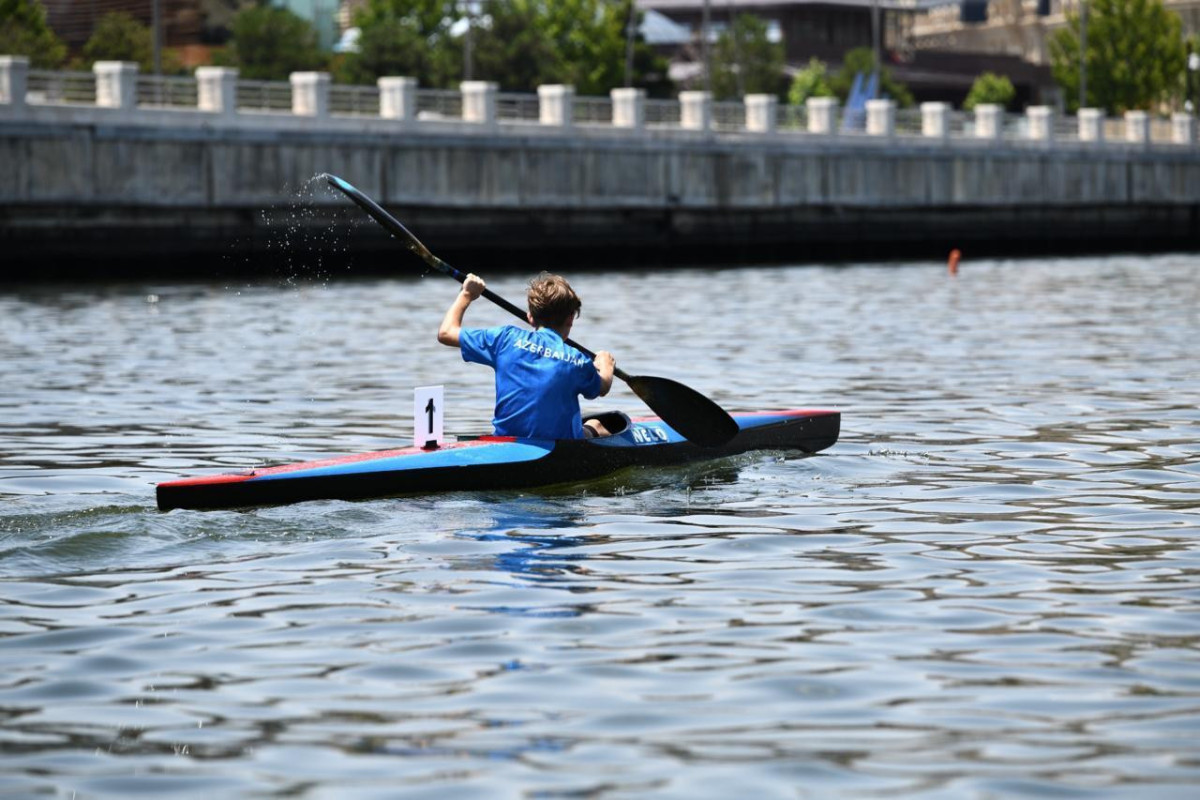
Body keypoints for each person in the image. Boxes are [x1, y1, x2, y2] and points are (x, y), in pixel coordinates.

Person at [437, 271, 615, 439]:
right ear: (570, 318)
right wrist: (605, 366)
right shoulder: (577, 360)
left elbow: (446, 333)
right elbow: (602, 388)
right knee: (596, 425)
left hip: (506, 442)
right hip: (560, 449)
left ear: (530, 317)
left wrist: (467, 294)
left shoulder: (504, 338)